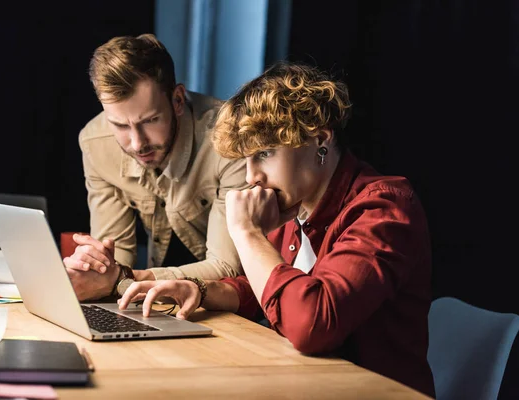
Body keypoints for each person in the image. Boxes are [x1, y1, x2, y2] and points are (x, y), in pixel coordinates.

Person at [117, 62, 436, 397]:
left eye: (265, 154)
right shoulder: (295, 203)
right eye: (246, 160)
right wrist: (199, 289)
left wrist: (248, 234)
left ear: (320, 140)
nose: (252, 176)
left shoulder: (384, 208)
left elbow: (311, 324)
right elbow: (265, 292)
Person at [64, 34, 248, 301]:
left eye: (150, 120)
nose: (138, 143)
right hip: (158, 301)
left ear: (177, 100)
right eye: (120, 125)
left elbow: (227, 267)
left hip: (231, 303)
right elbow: (115, 260)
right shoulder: (95, 143)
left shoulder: (229, 139)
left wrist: (124, 279)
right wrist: (95, 268)